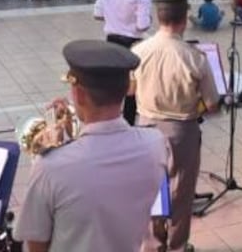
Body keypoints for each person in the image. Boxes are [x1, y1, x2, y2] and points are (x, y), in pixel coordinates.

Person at [15, 40, 168, 252]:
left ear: (78, 94)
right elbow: (101, 169)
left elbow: (35, 245)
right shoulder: (156, 144)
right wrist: (70, 140)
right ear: (125, 90)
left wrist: (59, 148)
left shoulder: (49, 167)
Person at [133, 0, 220, 252]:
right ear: (184, 19)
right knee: (180, 190)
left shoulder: (139, 50)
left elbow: (127, 89)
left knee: (149, 188)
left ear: (159, 18)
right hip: (182, 129)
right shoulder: (194, 56)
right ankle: (176, 245)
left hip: (145, 126)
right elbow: (212, 102)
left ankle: (151, 243)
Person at [93, 0, 152, 124]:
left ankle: (109, 122)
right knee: (132, 90)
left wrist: (115, 17)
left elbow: (97, 14)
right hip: (133, 44)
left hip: (111, 41)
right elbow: (142, 26)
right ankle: (128, 124)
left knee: (113, 87)